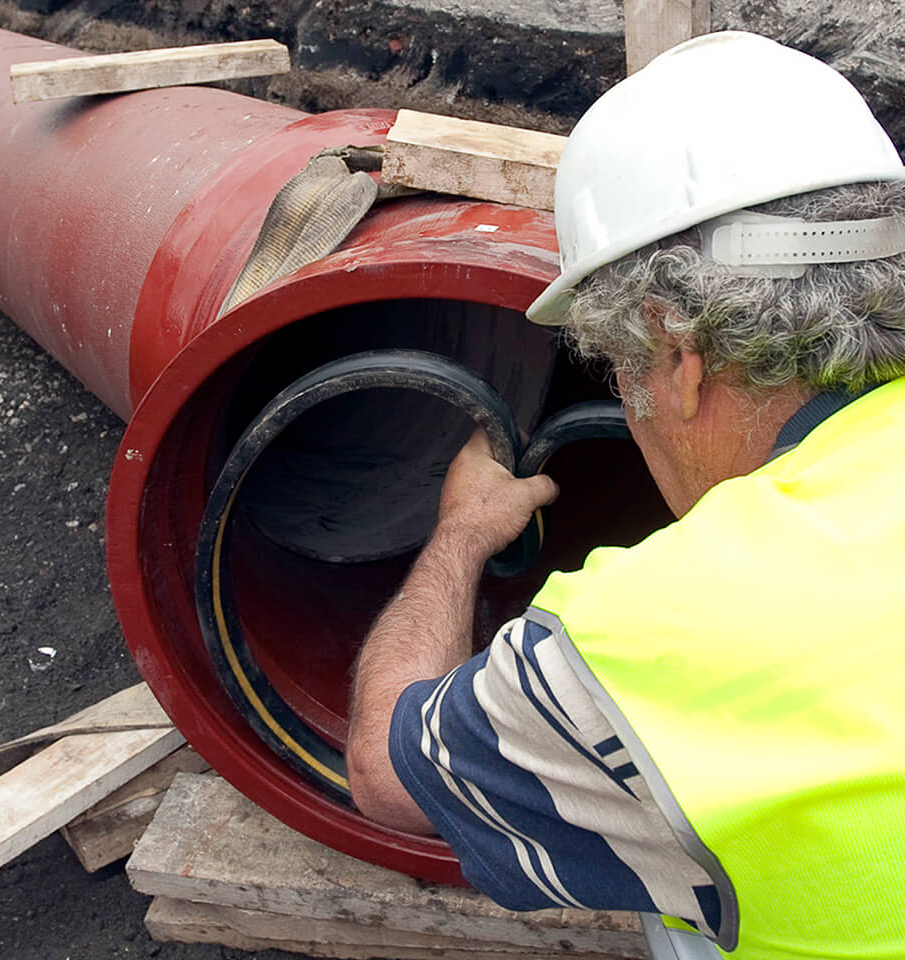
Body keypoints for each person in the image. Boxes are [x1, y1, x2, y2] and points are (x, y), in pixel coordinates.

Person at [345, 31, 905, 960]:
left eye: (617, 372)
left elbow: (386, 768)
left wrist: (458, 536)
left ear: (678, 357)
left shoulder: (653, 638)